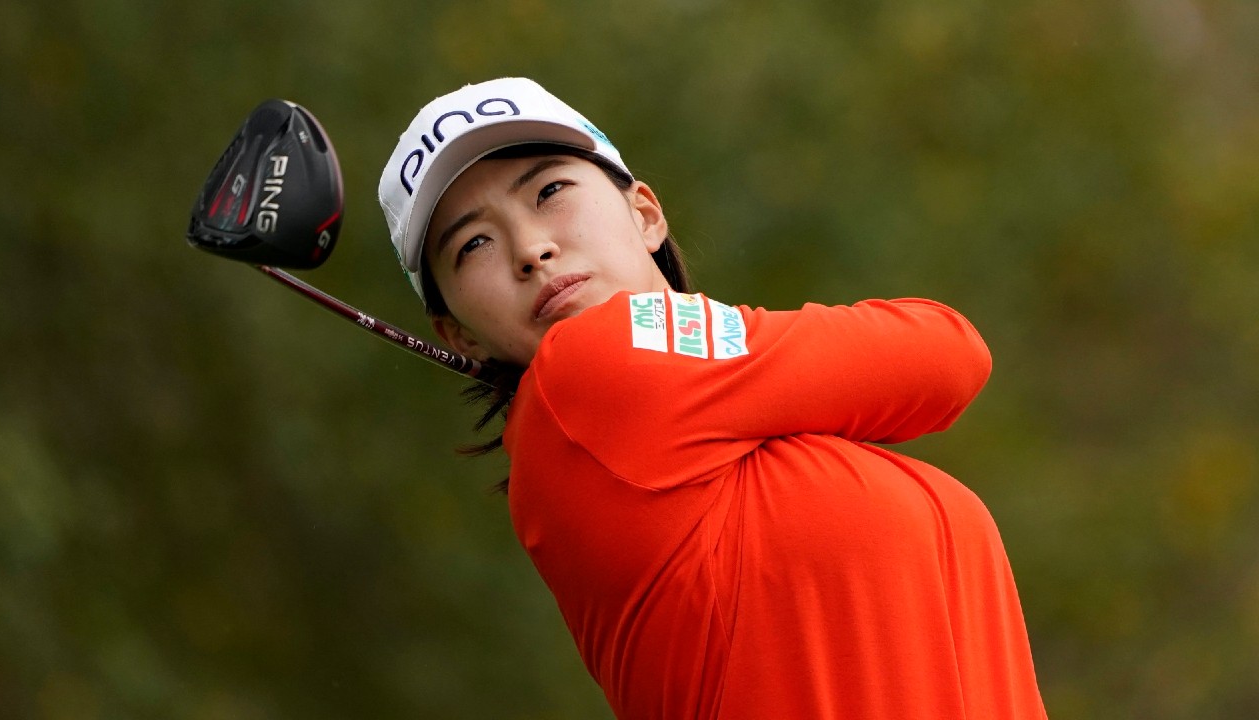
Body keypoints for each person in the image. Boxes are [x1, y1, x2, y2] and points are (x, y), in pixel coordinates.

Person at [378, 77, 1047, 719]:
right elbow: (946, 351)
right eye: (474, 244)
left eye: (549, 190)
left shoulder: (699, 439)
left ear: (645, 213)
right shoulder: (583, 375)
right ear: (457, 334)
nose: (531, 248)